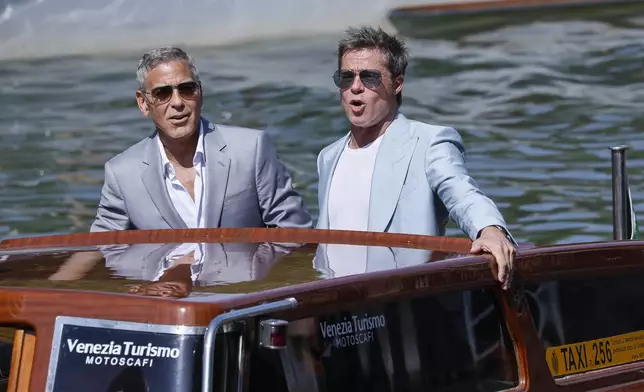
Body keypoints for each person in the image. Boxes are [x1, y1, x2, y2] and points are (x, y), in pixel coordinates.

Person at [316, 26, 516, 289]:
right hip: (334, 306)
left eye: (369, 77)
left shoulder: (429, 142)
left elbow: (463, 194)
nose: (355, 87)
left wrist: (490, 230)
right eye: (346, 77)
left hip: (399, 302)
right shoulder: (328, 157)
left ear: (397, 83)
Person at [90, 46, 312, 232]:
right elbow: (101, 247)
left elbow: (293, 231)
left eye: (187, 89)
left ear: (201, 93)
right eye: (163, 94)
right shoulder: (122, 172)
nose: (177, 102)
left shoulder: (251, 149)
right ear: (143, 103)